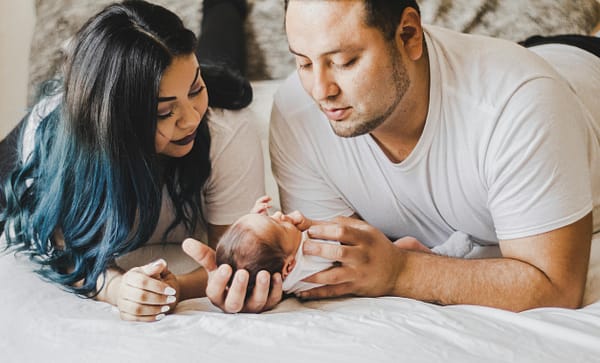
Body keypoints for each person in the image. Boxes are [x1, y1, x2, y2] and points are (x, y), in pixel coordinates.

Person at [268, 0, 600, 311]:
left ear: (408, 35)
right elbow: (336, 262)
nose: (320, 91)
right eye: (303, 62)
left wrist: (401, 272)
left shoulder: (519, 104)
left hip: (582, 66)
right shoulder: (297, 111)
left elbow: (556, 288)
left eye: (345, 62)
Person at [0, 0, 282, 321]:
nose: (189, 120)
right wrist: (115, 288)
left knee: (224, 68)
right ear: (117, 121)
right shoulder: (57, 139)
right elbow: (62, 250)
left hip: (209, 84)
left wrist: (178, 287)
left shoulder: (224, 125)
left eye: (195, 89)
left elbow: (231, 258)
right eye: (164, 112)